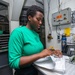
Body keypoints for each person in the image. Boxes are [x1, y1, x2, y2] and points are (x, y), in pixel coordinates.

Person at [8, 5, 62, 75]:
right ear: (29, 18)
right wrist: (40, 55)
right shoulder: (18, 33)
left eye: (41, 20)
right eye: (38, 19)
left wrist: (52, 52)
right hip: (24, 72)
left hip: (36, 69)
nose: (40, 22)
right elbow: (14, 62)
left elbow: (38, 51)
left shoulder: (35, 33)